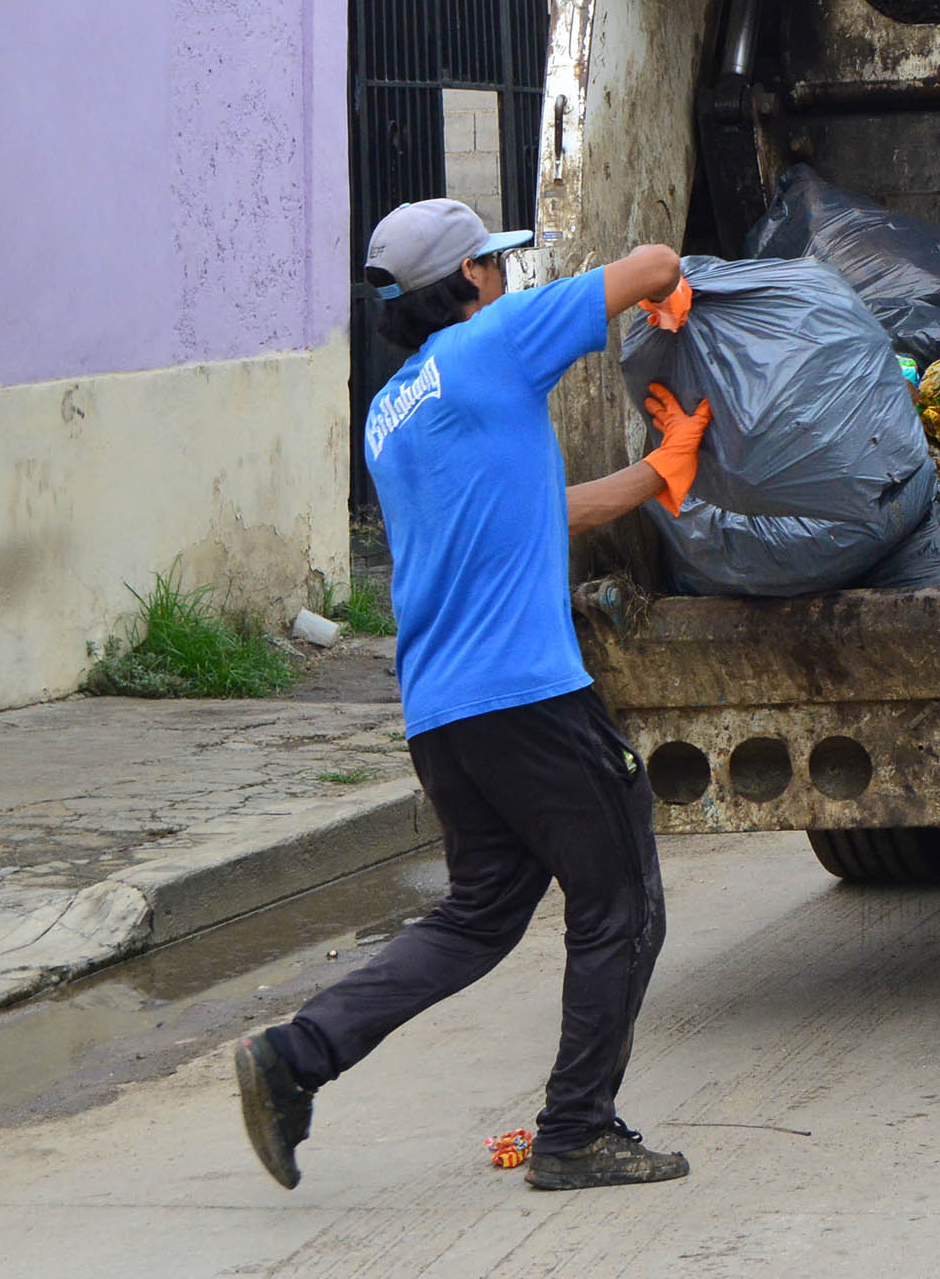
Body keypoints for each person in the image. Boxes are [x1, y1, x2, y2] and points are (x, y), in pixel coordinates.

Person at [234, 199, 714, 1194]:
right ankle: (578, 1129)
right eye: (491, 260)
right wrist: (668, 293)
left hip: (444, 721)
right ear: (469, 281)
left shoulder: (395, 410)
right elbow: (656, 258)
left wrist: (656, 473)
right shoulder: (495, 339)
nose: (501, 273)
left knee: (478, 916)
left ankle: (296, 1054)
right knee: (620, 898)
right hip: (529, 698)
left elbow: (537, 511)